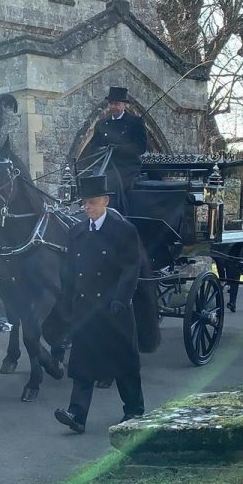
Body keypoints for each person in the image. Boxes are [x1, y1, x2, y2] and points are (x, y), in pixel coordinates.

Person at [54, 172, 145, 433]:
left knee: (124, 362)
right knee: (82, 363)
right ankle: (77, 415)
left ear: (105, 201)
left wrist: (121, 298)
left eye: (92, 202)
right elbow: (70, 269)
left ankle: (134, 411)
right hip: (85, 309)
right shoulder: (77, 232)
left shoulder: (123, 230)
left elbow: (131, 267)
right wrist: (67, 302)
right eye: (84, 203)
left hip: (113, 309)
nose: (87, 207)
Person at [74, 86, 147, 215]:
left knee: (110, 183)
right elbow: (94, 146)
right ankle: (88, 211)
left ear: (124, 105)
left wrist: (119, 149)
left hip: (127, 167)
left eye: (116, 104)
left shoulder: (135, 122)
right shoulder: (102, 123)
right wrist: (101, 150)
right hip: (105, 165)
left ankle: (114, 214)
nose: (113, 107)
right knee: (91, 180)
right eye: (111, 104)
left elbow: (140, 148)